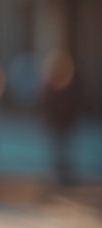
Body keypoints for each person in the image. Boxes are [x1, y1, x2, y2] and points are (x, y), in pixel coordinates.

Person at [37, 50, 84, 186]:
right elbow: (46, 106)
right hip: (57, 125)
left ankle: (66, 175)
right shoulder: (50, 89)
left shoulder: (69, 89)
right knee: (59, 150)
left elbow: (74, 106)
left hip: (65, 125)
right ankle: (61, 175)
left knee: (65, 149)